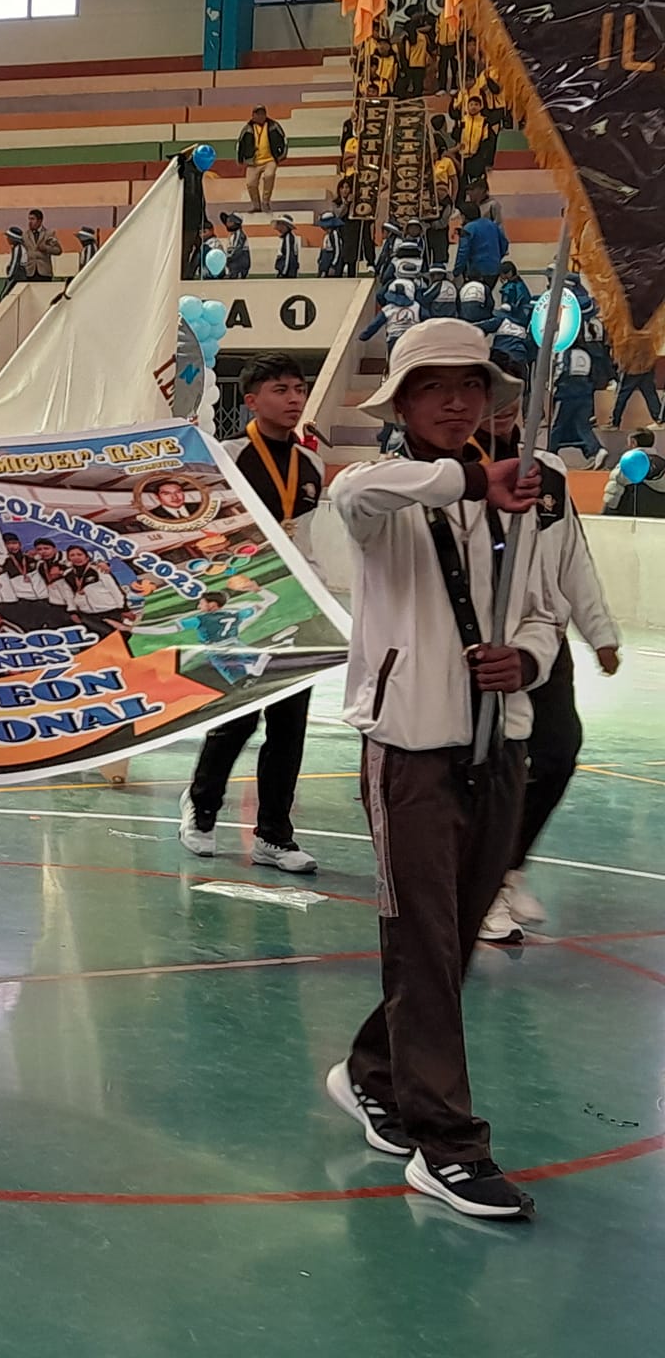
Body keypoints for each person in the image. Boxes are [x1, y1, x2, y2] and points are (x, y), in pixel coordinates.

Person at [325, 317, 561, 1222]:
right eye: (434, 387)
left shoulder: (520, 500)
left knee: (452, 941)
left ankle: (373, 1072)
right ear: (403, 406)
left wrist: (527, 660)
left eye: (472, 386)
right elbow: (362, 493)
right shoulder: (379, 492)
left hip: (498, 747)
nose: (457, 402)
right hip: (410, 752)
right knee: (422, 942)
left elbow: (539, 608)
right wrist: (472, 478)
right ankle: (447, 1146)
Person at [471, 358, 619, 943]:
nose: (506, 407)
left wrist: (599, 632)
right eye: (492, 395)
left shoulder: (549, 471)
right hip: (478, 647)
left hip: (543, 643)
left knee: (557, 755)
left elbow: (572, 557)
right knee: (490, 766)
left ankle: (505, 869)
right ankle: (481, 887)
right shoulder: (454, 473)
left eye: (516, 395)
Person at [178, 355, 325, 873]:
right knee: (237, 716)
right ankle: (202, 806)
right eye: (280, 389)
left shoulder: (312, 465)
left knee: (289, 725)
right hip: (242, 609)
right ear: (251, 400)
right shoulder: (228, 458)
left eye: (298, 388)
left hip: (297, 607)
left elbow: (306, 538)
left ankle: (274, 835)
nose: (293, 399)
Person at [548, 336, 609, 468]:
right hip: (585, 393)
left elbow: (561, 370)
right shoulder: (586, 353)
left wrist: (552, 385)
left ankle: (549, 454)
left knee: (557, 426)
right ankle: (596, 449)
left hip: (566, 394)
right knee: (583, 426)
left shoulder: (565, 353)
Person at [604, 428, 665, 516]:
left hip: (631, 514)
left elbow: (613, 494)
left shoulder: (628, 463)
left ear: (633, 442)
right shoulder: (662, 462)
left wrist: (606, 514)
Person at [237, 104, 287, 212]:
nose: (260, 116)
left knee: (269, 175)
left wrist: (281, 155)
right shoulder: (247, 129)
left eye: (262, 113)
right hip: (253, 161)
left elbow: (283, 139)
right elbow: (240, 144)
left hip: (270, 159)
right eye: (258, 114)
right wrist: (241, 158)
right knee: (251, 183)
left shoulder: (273, 126)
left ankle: (265, 202)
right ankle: (256, 205)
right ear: (253, 115)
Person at [452, 200, 507, 281]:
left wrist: (456, 272)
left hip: (476, 271)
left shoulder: (468, 229)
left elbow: (463, 253)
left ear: (464, 216)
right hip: (494, 269)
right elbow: (504, 243)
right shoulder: (491, 224)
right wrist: (497, 258)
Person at [612, 354, 662, 428]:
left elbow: (624, 352)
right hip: (646, 366)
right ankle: (659, 419)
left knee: (622, 396)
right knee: (650, 395)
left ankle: (615, 421)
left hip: (632, 368)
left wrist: (621, 366)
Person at [21, 210, 63, 281]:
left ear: (39, 221)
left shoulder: (49, 233)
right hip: (29, 271)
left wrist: (46, 248)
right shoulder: (25, 235)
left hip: (44, 271)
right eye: (29, 219)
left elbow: (58, 250)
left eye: (32, 219)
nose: (30, 222)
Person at [218, 212, 252, 279]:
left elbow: (237, 249)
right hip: (234, 262)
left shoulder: (239, 234)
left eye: (230, 221)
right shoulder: (232, 235)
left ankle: (237, 273)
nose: (227, 224)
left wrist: (228, 258)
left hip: (239, 262)